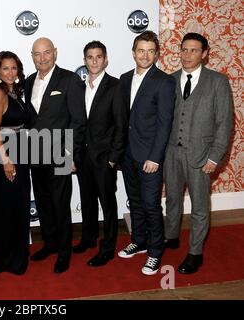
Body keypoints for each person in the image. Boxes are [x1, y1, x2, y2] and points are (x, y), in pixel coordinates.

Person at [163, 33, 233, 274]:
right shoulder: (169, 80)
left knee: (200, 206)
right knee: (172, 199)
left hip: (201, 155)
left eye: (194, 50)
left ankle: (195, 253)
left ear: (204, 54)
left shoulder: (218, 82)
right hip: (171, 153)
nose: (187, 54)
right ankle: (171, 237)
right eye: (184, 49)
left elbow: (224, 123)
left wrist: (215, 157)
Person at [116, 31, 176, 276]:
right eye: (141, 50)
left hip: (149, 156)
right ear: (133, 52)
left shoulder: (164, 81)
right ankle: (139, 241)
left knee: (151, 205)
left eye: (151, 51)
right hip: (128, 153)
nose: (145, 55)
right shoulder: (124, 78)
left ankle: (154, 251)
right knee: (136, 201)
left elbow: (165, 124)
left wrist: (155, 157)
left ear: (157, 54)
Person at [25, 37, 86, 273]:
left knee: (61, 204)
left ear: (55, 53)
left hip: (61, 153)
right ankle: (49, 243)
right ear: (32, 57)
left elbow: (78, 121)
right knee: (43, 202)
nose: (42, 58)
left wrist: (70, 155)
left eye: (46, 53)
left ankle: (64, 252)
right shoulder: (30, 81)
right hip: (35, 154)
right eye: (37, 54)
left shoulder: (69, 80)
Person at [72, 41, 127, 267]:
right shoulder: (79, 87)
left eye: (98, 57)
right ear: (84, 60)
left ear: (105, 59)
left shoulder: (115, 86)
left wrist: (113, 158)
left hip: (104, 158)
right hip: (83, 156)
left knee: (108, 204)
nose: (94, 61)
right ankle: (88, 238)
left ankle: (108, 247)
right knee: (86, 201)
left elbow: (121, 125)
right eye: (90, 57)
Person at [0, 51, 31, 275]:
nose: (10, 72)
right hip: (7, 154)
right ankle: (7, 259)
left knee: (17, 206)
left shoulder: (13, 91)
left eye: (14, 68)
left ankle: (12, 257)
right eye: (5, 68)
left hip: (20, 153)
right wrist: (6, 160)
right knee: (8, 207)